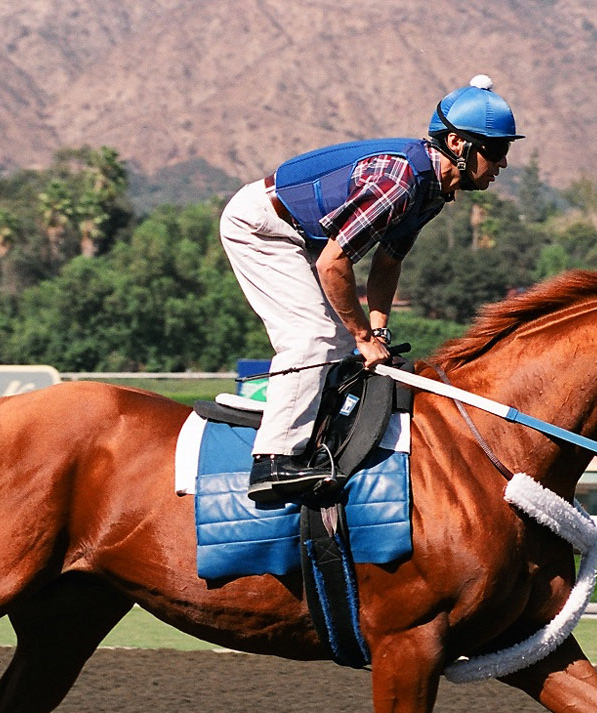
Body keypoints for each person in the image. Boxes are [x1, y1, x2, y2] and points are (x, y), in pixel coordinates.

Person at [220, 74, 523, 503]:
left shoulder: (433, 191)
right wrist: (364, 336)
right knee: (315, 337)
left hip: (305, 237)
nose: (503, 164)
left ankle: (318, 440)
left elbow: (387, 262)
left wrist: (377, 333)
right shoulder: (400, 182)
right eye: (496, 151)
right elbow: (333, 263)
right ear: (458, 145)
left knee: (345, 343)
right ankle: (272, 460)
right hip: (261, 227)